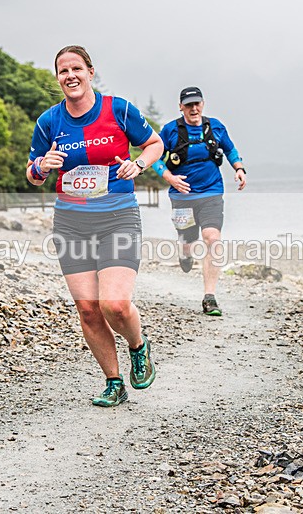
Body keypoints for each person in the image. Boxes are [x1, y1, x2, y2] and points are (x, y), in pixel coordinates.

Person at [27, 45, 164, 407]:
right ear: (57, 78)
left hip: (117, 215)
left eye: (76, 68)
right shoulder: (49, 121)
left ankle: (138, 346)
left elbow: (154, 143)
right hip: (71, 222)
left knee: (115, 304)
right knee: (88, 309)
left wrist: (139, 165)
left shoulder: (118, 109)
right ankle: (113, 382)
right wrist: (42, 164)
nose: (70, 76)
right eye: (62, 71)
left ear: (90, 72)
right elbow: (33, 173)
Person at [152, 86, 247, 316]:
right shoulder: (170, 130)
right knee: (187, 239)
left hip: (212, 192)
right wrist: (169, 178)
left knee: (212, 238)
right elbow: (154, 156)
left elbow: (230, 149)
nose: (193, 108)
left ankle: (209, 297)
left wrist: (239, 168)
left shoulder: (215, 126)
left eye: (197, 103)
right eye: (188, 105)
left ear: (202, 104)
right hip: (182, 196)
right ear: (180, 107)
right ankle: (185, 252)